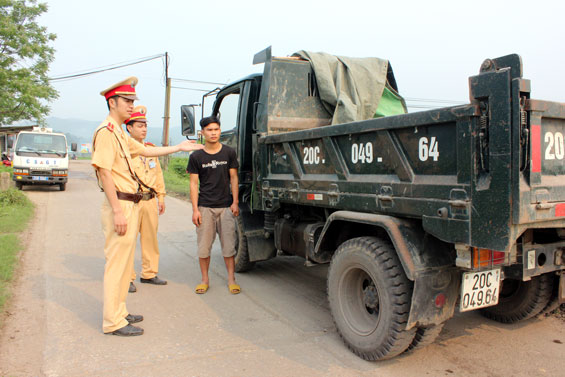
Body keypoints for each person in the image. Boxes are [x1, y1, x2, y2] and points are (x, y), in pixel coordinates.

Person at [91, 76, 203, 336]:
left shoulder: (118, 132)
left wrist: (177, 147)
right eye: (127, 101)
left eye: (133, 101)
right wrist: (118, 211)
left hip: (129, 204)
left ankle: (119, 311)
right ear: (112, 102)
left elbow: (144, 151)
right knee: (117, 265)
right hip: (120, 204)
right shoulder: (106, 132)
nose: (131, 106)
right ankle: (113, 321)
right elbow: (105, 173)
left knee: (124, 262)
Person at [187, 116, 240, 295]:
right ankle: (205, 280)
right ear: (202, 133)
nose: (213, 133)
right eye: (209, 130)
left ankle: (231, 279)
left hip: (225, 207)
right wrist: (195, 210)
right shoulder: (196, 156)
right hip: (205, 207)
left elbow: (234, 178)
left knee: (229, 246)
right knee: (203, 247)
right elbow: (193, 184)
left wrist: (235, 202)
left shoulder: (229, 153)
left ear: (219, 131)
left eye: (216, 129)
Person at [124, 106, 167, 293]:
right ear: (129, 128)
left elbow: (157, 174)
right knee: (129, 240)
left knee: (150, 239)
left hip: (149, 200)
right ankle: (127, 278)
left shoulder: (151, 149)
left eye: (145, 125)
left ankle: (149, 273)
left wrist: (161, 196)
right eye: (139, 125)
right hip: (131, 201)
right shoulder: (124, 150)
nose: (143, 129)